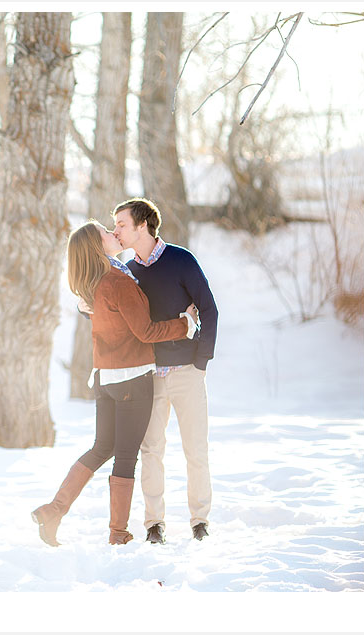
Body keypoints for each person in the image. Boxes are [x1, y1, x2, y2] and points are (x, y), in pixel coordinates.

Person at [31, 220, 198, 547]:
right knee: (124, 456)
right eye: (107, 233)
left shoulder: (94, 284)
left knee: (102, 447)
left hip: (105, 378)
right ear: (98, 246)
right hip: (132, 378)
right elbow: (146, 332)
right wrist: (185, 324)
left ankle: (54, 509)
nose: (114, 234)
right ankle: (118, 533)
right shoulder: (117, 280)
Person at [111, 197, 218, 544]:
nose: (117, 231)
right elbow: (113, 309)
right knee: (151, 449)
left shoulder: (181, 260)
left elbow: (209, 310)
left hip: (187, 370)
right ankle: (154, 524)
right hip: (149, 376)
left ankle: (200, 520)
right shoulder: (129, 270)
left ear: (143, 225)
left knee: (195, 449)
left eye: (121, 224)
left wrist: (200, 362)